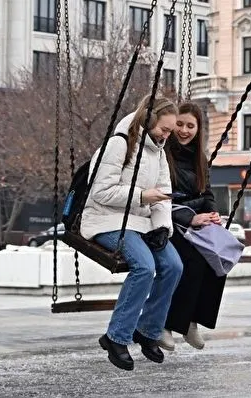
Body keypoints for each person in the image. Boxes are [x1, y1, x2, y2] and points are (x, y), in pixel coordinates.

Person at [79, 95, 183, 371]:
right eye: (164, 129)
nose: (167, 135)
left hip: (141, 221)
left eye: (170, 131)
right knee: (144, 267)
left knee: (173, 265)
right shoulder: (119, 144)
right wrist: (141, 196)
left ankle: (148, 330)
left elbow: (163, 195)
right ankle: (116, 337)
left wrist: (162, 226)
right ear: (148, 121)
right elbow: (100, 191)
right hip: (106, 220)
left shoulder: (158, 151)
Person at [161, 101, 224, 351]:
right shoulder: (163, 154)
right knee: (194, 258)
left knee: (218, 257)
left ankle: (192, 321)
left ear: (198, 129)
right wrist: (190, 217)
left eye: (190, 126)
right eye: (179, 124)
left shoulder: (200, 158)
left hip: (194, 220)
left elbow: (207, 192)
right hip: (168, 221)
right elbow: (163, 196)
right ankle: (168, 323)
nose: (184, 131)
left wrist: (212, 213)